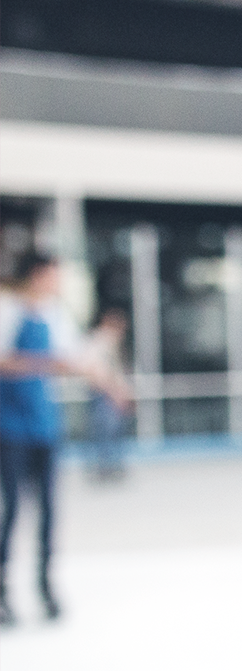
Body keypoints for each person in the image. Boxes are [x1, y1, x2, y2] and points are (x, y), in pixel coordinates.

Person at [0, 253, 130, 622]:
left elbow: (77, 359)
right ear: (37, 275)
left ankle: (45, 586)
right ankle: (3, 590)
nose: (58, 284)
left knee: (48, 512)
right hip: (9, 427)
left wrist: (112, 386)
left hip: (44, 426)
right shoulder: (7, 310)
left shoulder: (54, 315)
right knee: (11, 511)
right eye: (54, 277)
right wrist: (46, 364)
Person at [85, 307, 132, 480]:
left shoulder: (112, 344)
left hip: (113, 394)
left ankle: (112, 465)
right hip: (104, 394)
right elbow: (98, 372)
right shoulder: (99, 342)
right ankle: (104, 467)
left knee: (114, 432)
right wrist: (114, 393)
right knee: (105, 432)